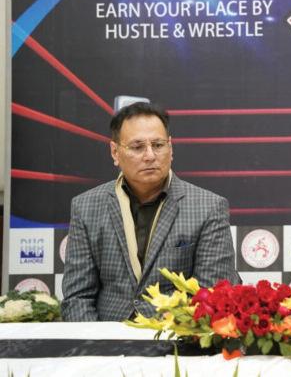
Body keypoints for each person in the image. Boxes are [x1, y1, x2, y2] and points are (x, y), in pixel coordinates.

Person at [62, 102, 239, 321]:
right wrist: (97, 340)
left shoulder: (208, 207)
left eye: (158, 145)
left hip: (176, 335)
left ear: (171, 148)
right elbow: (77, 298)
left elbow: (212, 296)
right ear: (115, 152)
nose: (150, 156)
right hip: (107, 334)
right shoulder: (86, 207)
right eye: (137, 147)